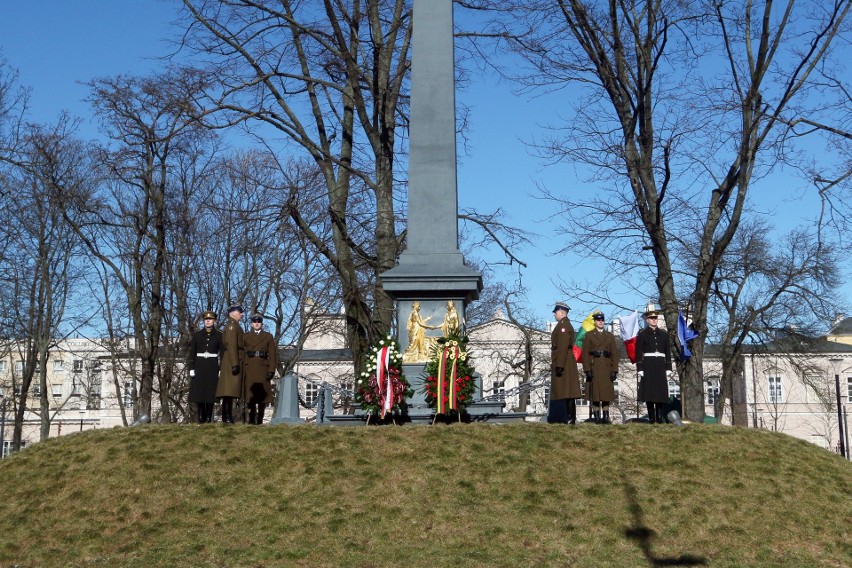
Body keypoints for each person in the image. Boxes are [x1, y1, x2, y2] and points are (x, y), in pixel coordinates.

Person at [581, 311, 619, 424]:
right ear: (595, 322)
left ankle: (606, 416)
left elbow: (614, 354)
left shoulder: (609, 336)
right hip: (595, 367)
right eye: (598, 320)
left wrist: (614, 370)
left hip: (606, 368)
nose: (600, 322)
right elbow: (585, 354)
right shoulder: (589, 335)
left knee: (606, 393)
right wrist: (587, 369)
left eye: (602, 320)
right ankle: (597, 416)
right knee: (596, 394)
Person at [636, 306, 672, 424]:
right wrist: (640, 367)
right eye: (651, 318)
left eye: (655, 318)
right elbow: (638, 352)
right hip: (648, 365)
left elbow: (667, 352)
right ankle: (651, 418)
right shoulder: (642, 334)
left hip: (660, 365)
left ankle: (659, 418)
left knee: (660, 393)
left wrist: (668, 367)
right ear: (647, 320)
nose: (654, 320)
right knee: (649, 393)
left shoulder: (664, 334)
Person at [187, 310, 223, 424]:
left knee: (210, 394)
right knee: (199, 393)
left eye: (210, 319)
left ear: (214, 321)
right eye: (206, 319)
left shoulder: (219, 335)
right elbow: (192, 353)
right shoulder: (197, 335)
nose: (208, 321)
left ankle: (208, 418)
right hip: (199, 366)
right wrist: (191, 368)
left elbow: (222, 353)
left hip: (212, 366)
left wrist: (221, 369)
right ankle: (201, 418)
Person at [549, 301, 581, 424]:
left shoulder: (563, 326)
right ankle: (568, 417)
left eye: (556, 312)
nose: (554, 315)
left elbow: (562, 346)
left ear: (562, 313)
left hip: (564, 361)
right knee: (566, 390)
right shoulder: (564, 325)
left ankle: (569, 417)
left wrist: (559, 365)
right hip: (565, 360)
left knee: (566, 391)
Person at [243, 313, 277, 425]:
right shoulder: (246, 336)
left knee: (262, 396)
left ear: (261, 324)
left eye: (258, 322)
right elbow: (241, 352)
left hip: (263, 367)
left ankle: (260, 419)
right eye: (254, 322)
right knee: (250, 395)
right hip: (250, 367)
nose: (256, 324)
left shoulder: (268, 336)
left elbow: (272, 354)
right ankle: (252, 418)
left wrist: (271, 370)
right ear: (251, 324)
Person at [216, 304, 245, 423]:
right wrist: (235, 364)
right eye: (240, 312)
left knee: (230, 390)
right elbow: (232, 345)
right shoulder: (232, 326)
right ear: (233, 313)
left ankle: (227, 416)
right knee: (228, 390)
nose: (242, 314)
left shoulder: (235, 325)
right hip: (232, 359)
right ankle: (226, 416)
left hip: (233, 358)